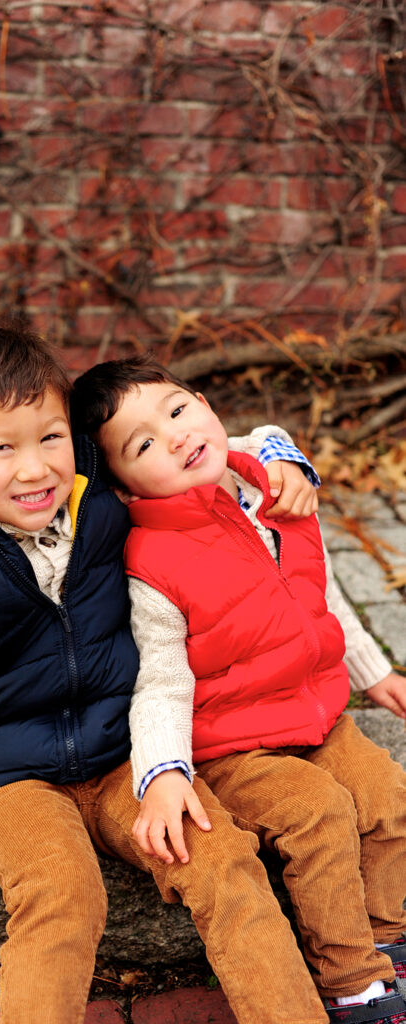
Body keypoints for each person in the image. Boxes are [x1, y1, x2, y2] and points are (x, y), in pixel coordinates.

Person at [0, 319, 330, 1024]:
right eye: (0, 449)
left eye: (50, 438)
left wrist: (281, 454)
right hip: (5, 775)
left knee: (222, 858)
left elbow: (204, 444)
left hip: (120, 754)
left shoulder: (98, 500)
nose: (35, 468)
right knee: (63, 893)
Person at [69, 354, 406, 1024]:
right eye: (143, 444)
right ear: (125, 486)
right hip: (232, 745)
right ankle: (352, 984)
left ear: (201, 400)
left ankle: (387, 942)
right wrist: (162, 772)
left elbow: (320, 593)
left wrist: (374, 674)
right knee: (318, 811)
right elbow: (160, 681)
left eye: (176, 409)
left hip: (317, 716)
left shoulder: (269, 489)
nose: (174, 436)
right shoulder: (151, 561)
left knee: (390, 798)